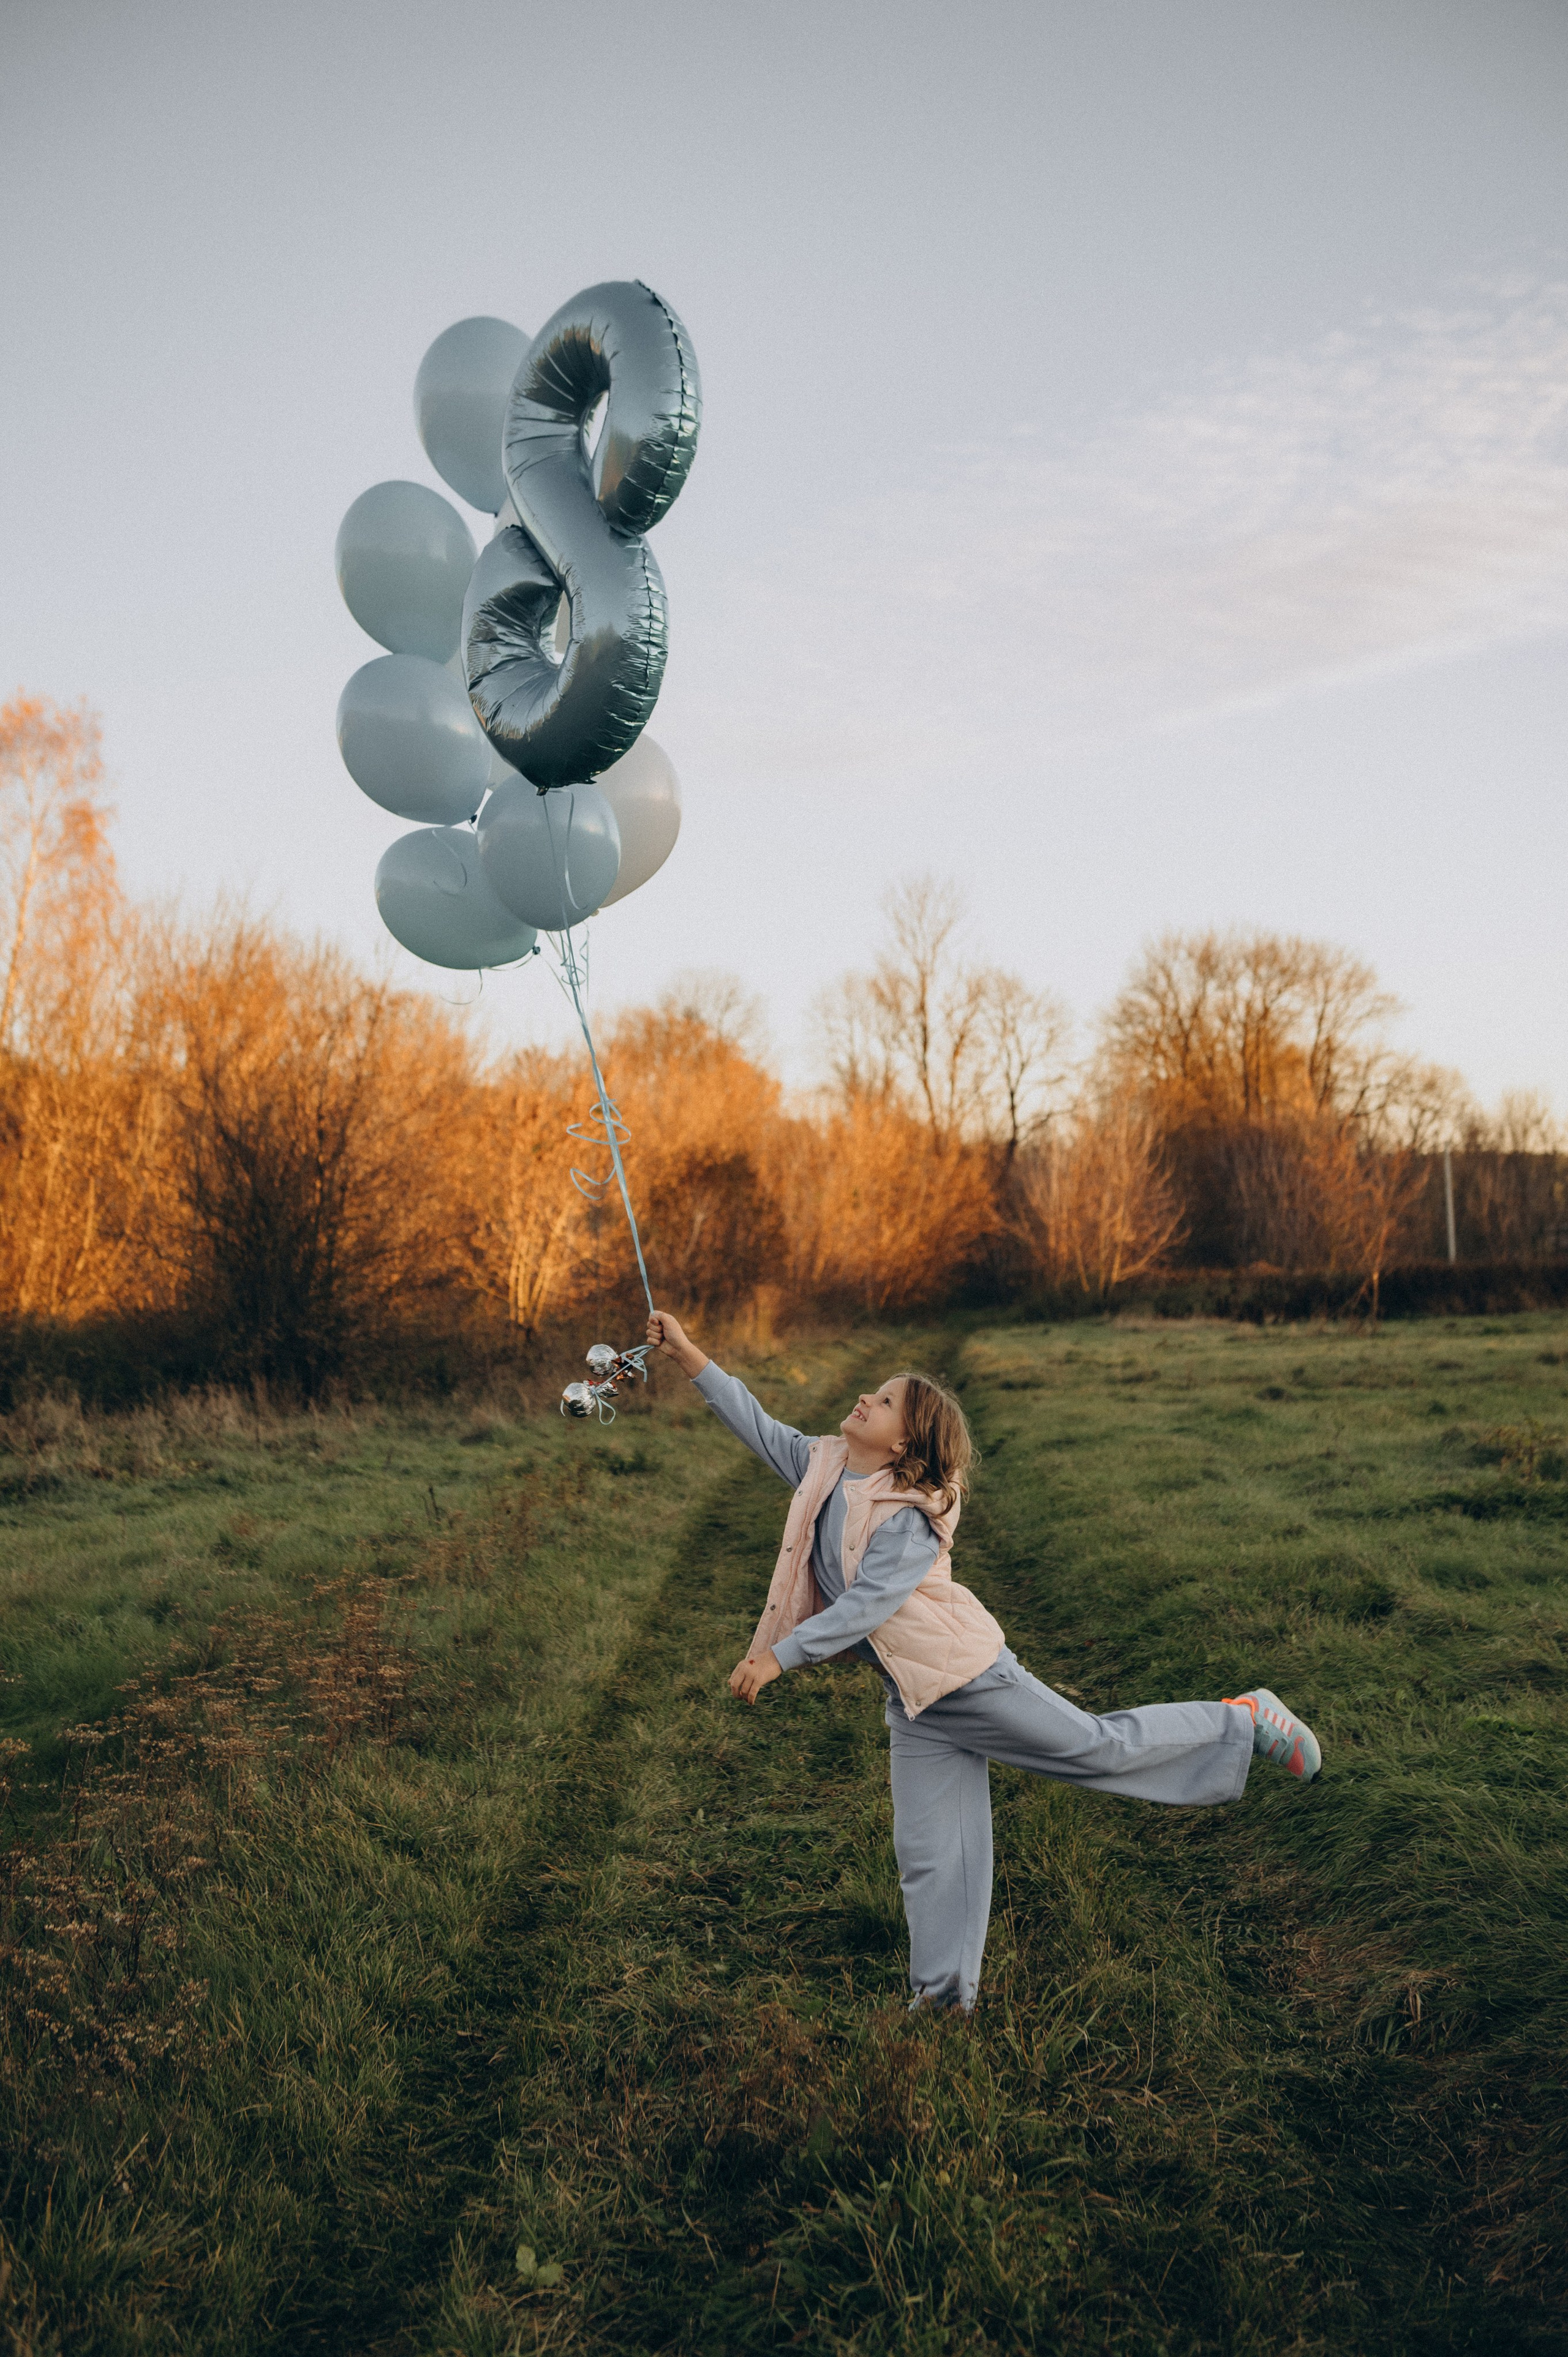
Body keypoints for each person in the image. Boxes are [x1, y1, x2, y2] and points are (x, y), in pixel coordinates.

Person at [647, 1309, 1322, 2015]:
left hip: (969, 1678)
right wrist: (689, 1353)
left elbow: (866, 1606)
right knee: (931, 1853)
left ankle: (1242, 1719)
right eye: (871, 1392)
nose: (864, 1400)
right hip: (916, 1700)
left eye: (882, 1401)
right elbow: (751, 1419)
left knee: (1097, 1745)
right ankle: (942, 2002)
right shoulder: (821, 1466)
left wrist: (778, 1658)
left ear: (904, 1439)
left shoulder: (909, 1514)